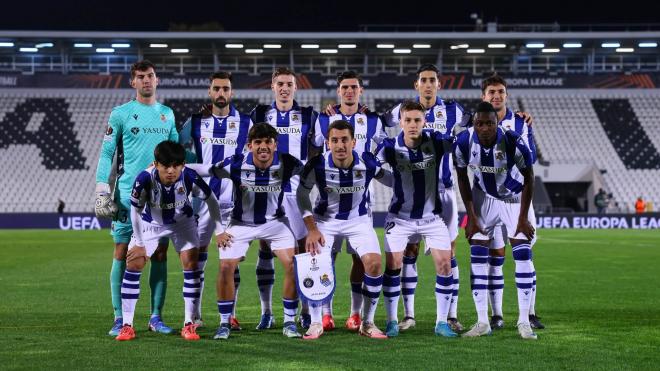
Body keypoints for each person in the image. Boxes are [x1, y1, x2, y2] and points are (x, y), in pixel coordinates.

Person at [191, 123, 305, 340]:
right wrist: (174, 165)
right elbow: (207, 169)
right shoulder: (236, 163)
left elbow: (313, 169)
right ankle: (224, 323)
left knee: (293, 264)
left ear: (275, 144)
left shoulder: (287, 162)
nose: (263, 147)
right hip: (241, 223)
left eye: (268, 142)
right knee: (225, 267)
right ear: (250, 145)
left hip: (275, 223)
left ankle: (289, 321)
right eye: (258, 142)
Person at [383, 64, 469, 332]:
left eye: (433, 80)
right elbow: (376, 120)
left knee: (449, 254)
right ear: (416, 84)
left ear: (439, 84)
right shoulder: (402, 110)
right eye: (424, 80)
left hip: (443, 191)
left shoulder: (454, 110)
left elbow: (474, 126)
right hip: (411, 190)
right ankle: (407, 315)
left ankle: (450, 315)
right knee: (409, 252)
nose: (428, 84)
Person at [94, 60, 178, 336]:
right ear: (133, 82)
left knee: (160, 255)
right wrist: (101, 188)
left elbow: (177, 154)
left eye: (150, 76)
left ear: (157, 80)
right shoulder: (120, 114)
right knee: (121, 253)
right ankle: (119, 318)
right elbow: (107, 154)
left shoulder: (167, 114)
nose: (146, 80)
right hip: (128, 195)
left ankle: (156, 317)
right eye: (141, 77)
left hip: (160, 199)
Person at [115, 141, 222, 341]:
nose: (171, 171)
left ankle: (189, 324)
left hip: (183, 222)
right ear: (156, 164)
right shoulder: (144, 178)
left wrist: (220, 229)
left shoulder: (189, 176)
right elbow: (135, 211)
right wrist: (138, 242)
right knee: (134, 263)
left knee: (191, 266)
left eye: (176, 165)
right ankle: (127, 325)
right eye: (166, 166)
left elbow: (211, 198)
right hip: (150, 224)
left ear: (182, 165)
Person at [298, 120, 389, 339]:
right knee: (316, 263)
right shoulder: (317, 164)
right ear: (328, 143)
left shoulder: (366, 162)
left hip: (358, 220)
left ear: (353, 142)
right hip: (325, 221)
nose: (340, 145)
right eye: (335, 140)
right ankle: (316, 322)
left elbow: (390, 179)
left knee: (374, 264)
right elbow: (302, 194)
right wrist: (311, 229)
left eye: (344, 140)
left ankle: (367, 323)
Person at [454, 102, 538, 340]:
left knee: (522, 253)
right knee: (478, 253)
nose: (485, 128)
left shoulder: (513, 141)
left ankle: (524, 322)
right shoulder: (463, 142)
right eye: (480, 123)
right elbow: (462, 178)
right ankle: (482, 321)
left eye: (490, 123)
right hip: (484, 198)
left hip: (514, 199)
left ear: (496, 123)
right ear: (474, 124)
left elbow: (530, 177)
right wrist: (471, 217)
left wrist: (522, 218)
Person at [311, 70, 387, 331]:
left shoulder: (373, 120)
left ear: (361, 90)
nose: (349, 91)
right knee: (325, 259)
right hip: (329, 195)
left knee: (360, 258)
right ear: (338, 91)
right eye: (345, 87)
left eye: (354, 87)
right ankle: (326, 313)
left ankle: (356, 314)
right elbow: (313, 147)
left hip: (360, 196)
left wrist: (378, 166)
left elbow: (385, 148)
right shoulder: (324, 118)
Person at [376, 101, 457, 338]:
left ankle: (441, 322)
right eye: (408, 120)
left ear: (424, 122)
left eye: (417, 120)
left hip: (432, 217)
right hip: (400, 218)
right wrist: (389, 177)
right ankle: (392, 321)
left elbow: (463, 143)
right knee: (393, 267)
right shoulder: (390, 147)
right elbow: (370, 165)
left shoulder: (436, 141)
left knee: (445, 265)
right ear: (400, 122)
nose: (412, 125)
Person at [179, 71, 252, 330]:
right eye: (216, 89)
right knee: (196, 258)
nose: (221, 93)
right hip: (200, 200)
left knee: (230, 261)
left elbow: (252, 157)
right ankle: (194, 315)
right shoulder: (195, 122)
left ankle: (229, 314)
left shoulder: (246, 122)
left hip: (233, 201)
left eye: (225, 89)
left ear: (231, 92)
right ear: (210, 92)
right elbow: (178, 152)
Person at [250, 67, 317, 330]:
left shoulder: (309, 115)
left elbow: (320, 145)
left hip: (295, 192)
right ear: (273, 87)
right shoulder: (258, 114)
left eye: (289, 84)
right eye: (280, 84)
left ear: (295, 87)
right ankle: (267, 312)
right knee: (266, 248)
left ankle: (304, 310)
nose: (284, 88)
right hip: (266, 189)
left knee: (301, 251)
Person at [479, 74, 544, 331]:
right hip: (489, 198)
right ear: (484, 96)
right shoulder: (478, 123)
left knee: (525, 252)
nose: (496, 96)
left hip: (518, 198)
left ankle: (530, 313)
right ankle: (497, 315)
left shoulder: (520, 122)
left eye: (501, 92)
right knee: (495, 257)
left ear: (506, 94)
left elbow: (531, 160)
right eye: (492, 92)